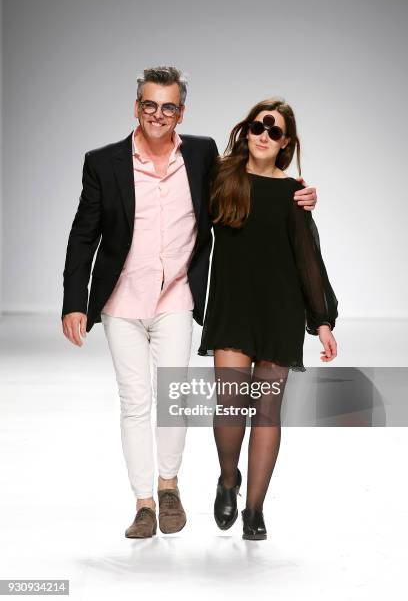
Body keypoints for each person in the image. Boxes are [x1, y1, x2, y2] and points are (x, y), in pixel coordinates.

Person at [61, 66, 317, 539]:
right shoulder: (113, 163)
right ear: (137, 106)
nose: (159, 114)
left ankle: (183, 491)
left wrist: (300, 196)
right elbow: (84, 234)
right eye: (150, 105)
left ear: (182, 111)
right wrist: (74, 300)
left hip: (182, 297)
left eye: (169, 106)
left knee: (177, 400)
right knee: (138, 402)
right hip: (126, 300)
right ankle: (151, 501)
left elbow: (282, 223)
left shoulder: (200, 156)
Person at [198, 98, 338, 540]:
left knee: (267, 411)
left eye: (274, 131)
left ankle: (255, 509)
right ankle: (227, 479)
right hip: (232, 305)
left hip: (279, 309)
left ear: (286, 143)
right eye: (259, 125)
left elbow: (307, 259)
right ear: (247, 129)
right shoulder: (222, 177)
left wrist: (322, 320)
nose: (264, 134)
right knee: (231, 402)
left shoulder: (292, 193)